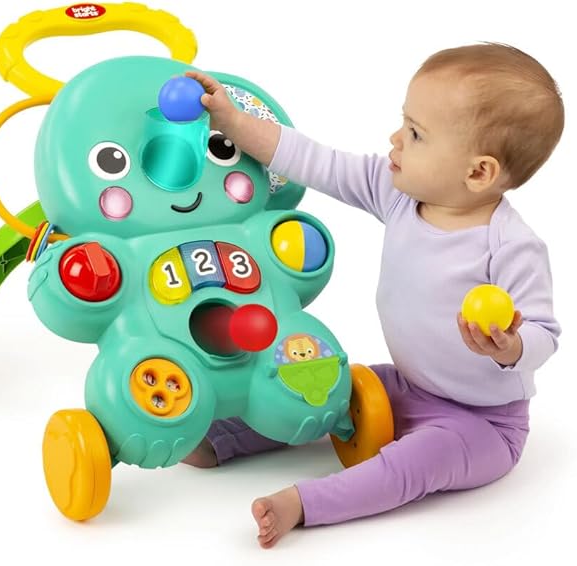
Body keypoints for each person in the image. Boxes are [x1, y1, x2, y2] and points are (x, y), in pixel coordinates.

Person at [181, 43, 564, 549]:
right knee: (318, 387)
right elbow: (313, 160)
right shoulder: (400, 194)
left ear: (478, 172)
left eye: (416, 134)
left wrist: (511, 347)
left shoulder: (512, 246)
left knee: (412, 465)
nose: (395, 139)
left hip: (484, 423)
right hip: (407, 385)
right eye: (405, 123)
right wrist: (233, 122)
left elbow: (544, 334)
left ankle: (305, 503)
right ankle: (221, 437)